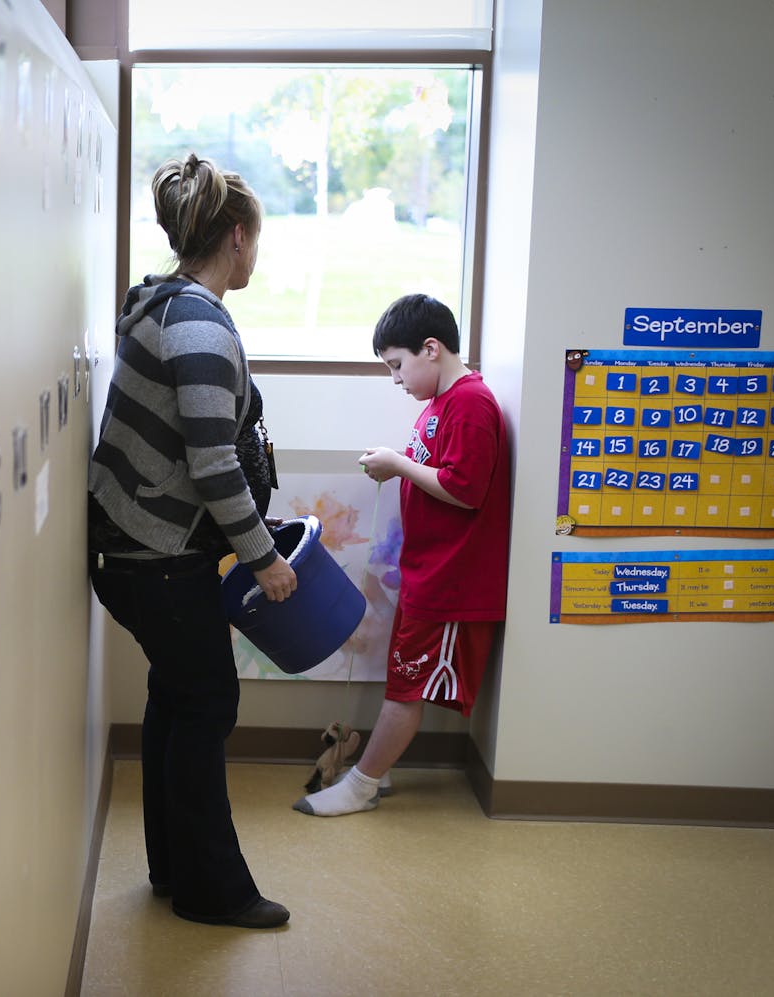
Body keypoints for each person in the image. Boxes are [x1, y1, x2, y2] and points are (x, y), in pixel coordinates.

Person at [88, 153, 296, 928]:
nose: (255, 252)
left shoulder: (163, 304)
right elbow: (212, 462)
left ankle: (173, 868)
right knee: (206, 700)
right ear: (237, 236)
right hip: (156, 558)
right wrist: (264, 559)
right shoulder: (200, 325)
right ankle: (212, 890)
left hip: (133, 548)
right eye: (256, 239)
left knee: (178, 698)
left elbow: (195, 454)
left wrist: (244, 535)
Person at [294, 293, 510, 817]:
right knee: (403, 677)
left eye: (397, 365)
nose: (396, 379)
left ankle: (362, 785)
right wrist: (395, 462)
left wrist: (397, 462)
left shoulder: (471, 404)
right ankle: (375, 770)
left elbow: (465, 489)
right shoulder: (441, 403)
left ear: (430, 349)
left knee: (407, 685)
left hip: (453, 579)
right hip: (430, 572)